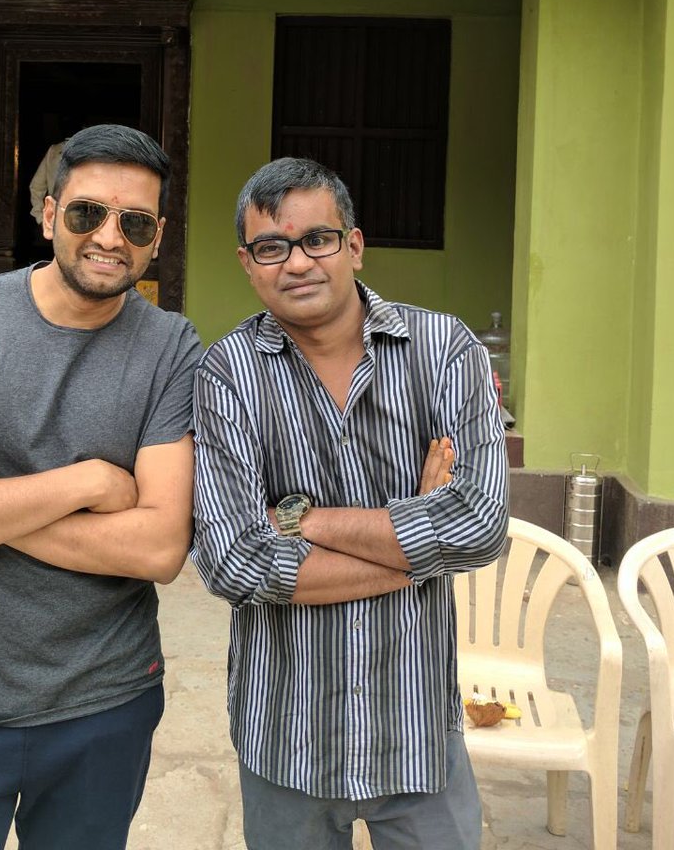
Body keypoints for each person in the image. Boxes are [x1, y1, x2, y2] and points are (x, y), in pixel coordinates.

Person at [0, 124, 202, 850]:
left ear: (157, 237)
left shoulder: (170, 348)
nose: (109, 237)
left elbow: (157, 548)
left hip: (105, 701)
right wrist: (86, 481)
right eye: (87, 212)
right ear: (49, 215)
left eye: (135, 223)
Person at [190, 158, 509, 850]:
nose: (297, 262)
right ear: (248, 264)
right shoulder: (228, 373)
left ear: (354, 245)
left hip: (416, 733)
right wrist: (418, 539)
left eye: (318, 239)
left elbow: (481, 526)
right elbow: (232, 563)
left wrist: (298, 518)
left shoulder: (444, 350)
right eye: (271, 247)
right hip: (286, 738)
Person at [29, 138, 67, 223]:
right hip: (58, 217)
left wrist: (40, 217)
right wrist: (40, 217)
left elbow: (36, 187)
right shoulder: (54, 150)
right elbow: (36, 186)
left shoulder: (55, 150)